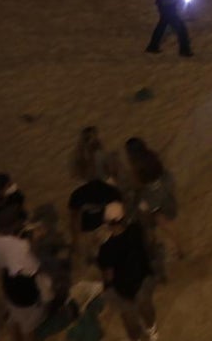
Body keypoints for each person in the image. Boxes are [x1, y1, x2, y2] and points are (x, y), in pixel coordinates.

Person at [97, 201, 158, 341]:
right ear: (123, 218)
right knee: (146, 306)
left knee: (129, 318)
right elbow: (149, 240)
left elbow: (108, 275)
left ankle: (137, 339)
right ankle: (152, 330)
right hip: (143, 279)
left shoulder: (106, 248)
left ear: (107, 223)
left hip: (123, 290)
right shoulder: (135, 230)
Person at [0, 208, 52, 341]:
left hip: (7, 282)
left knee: (14, 318)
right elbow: (36, 267)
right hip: (25, 291)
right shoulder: (21, 246)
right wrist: (36, 240)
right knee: (29, 327)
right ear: (15, 225)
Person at [124, 137, 182, 280]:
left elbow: (137, 185)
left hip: (151, 197)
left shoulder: (136, 165)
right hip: (163, 188)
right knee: (165, 222)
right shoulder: (152, 156)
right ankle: (179, 247)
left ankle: (152, 256)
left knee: (148, 225)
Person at [68, 159, 122, 267]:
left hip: (86, 228)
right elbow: (117, 212)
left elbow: (74, 218)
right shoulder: (111, 191)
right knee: (104, 247)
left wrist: (75, 238)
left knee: (91, 250)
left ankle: (92, 259)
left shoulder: (77, 194)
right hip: (104, 225)